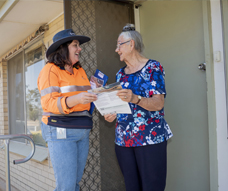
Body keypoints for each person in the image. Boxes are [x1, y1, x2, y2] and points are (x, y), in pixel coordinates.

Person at [104, 24, 173, 191]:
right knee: (131, 187)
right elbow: (122, 104)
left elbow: (158, 103)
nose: (116, 49)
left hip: (149, 138)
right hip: (124, 141)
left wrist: (136, 98)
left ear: (131, 44)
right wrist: (111, 113)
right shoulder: (120, 74)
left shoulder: (153, 68)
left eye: (119, 44)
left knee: (152, 186)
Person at [37, 29, 97, 191]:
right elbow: (49, 103)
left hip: (81, 130)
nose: (80, 49)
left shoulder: (80, 70)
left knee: (74, 184)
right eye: (75, 45)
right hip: (60, 130)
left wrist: (95, 90)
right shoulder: (50, 70)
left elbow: (86, 100)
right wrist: (76, 99)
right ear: (63, 48)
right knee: (67, 187)